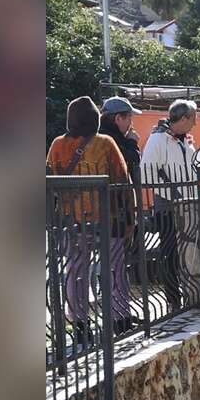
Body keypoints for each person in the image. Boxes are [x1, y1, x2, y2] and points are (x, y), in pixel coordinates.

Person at [46, 96, 138, 342]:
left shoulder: (57, 145)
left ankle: (79, 325)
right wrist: (130, 217)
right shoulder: (106, 143)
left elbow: (50, 181)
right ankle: (120, 320)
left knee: (76, 272)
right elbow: (122, 181)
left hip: (71, 220)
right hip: (108, 219)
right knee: (115, 270)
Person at [140, 99, 199, 310]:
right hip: (168, 205)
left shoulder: (184, 140)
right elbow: (147, 173)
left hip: (186, 202)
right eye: (193, 117)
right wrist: (173, 193)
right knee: (170, 254)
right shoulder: (158, 140)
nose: (196, 122)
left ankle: (190, 293)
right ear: (183, 118)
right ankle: (174, 300)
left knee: (187, 252)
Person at [98, 95, 143, 181]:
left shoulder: (102, 134)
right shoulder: (111, 139)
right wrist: (132, 142)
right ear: (118, 118)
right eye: (129, 118)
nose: (131, 123)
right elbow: (131, 165)